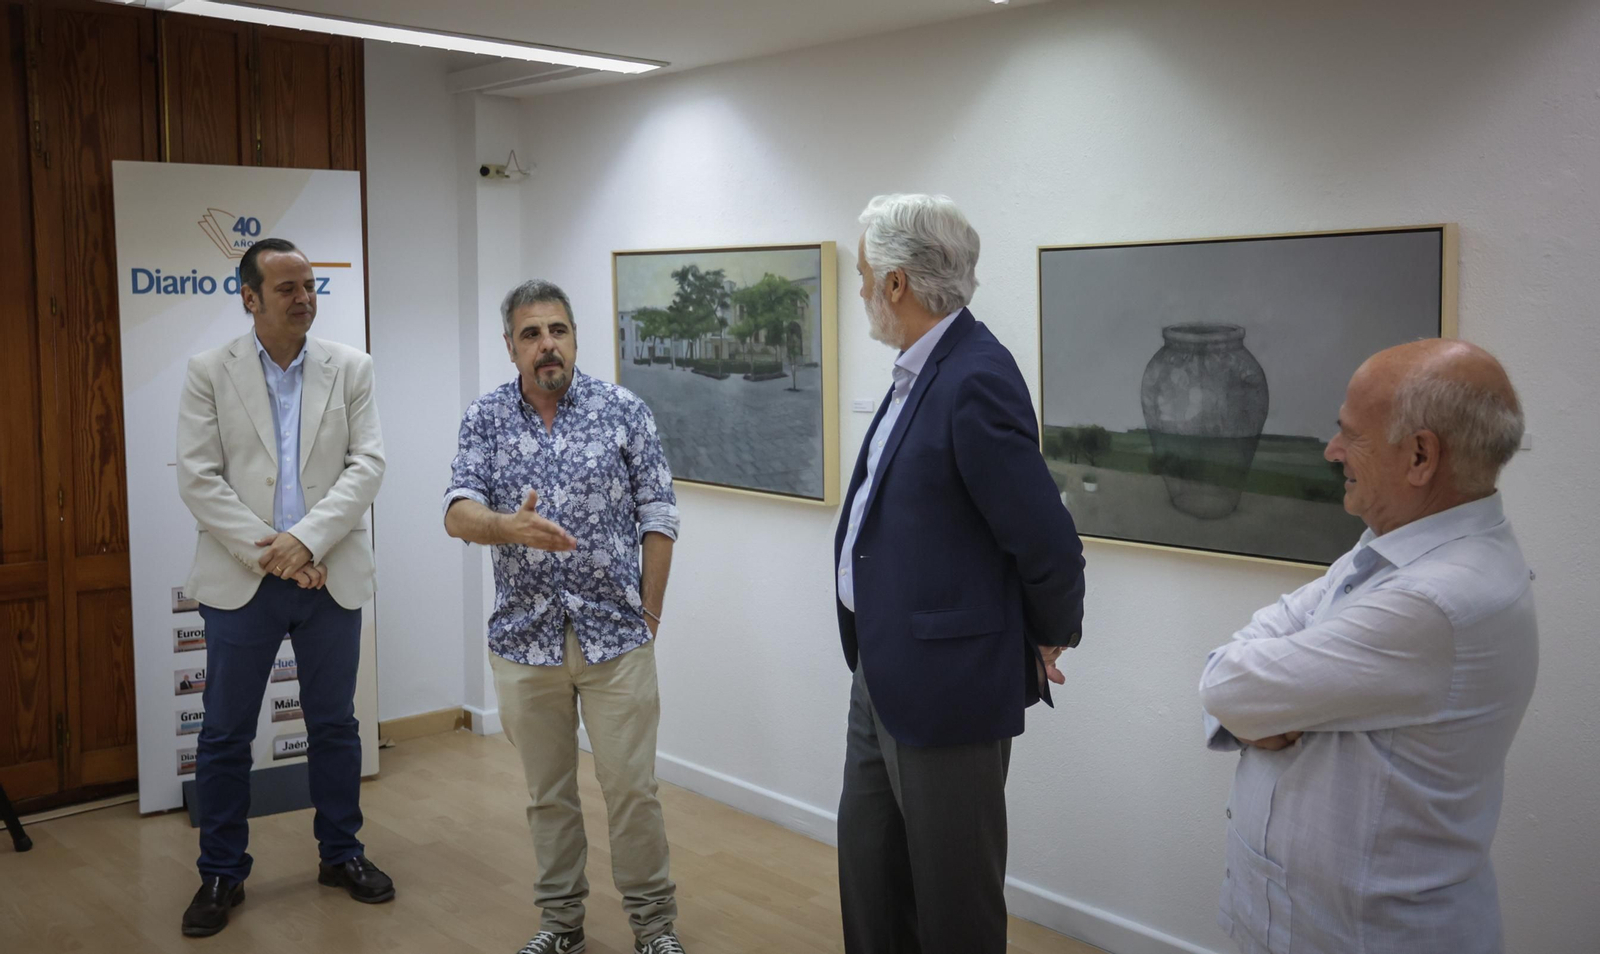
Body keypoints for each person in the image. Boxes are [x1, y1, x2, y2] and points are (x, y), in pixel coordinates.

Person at [1199, 339, 1536, 954]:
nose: (1331, 452)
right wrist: (1259, 709)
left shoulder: (1435, 600)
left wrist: (1254, 707)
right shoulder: (1392, 544)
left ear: (1419, 456)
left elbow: (1227, 685)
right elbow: (1254, 649)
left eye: (1350, 435)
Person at [833, 194, 1087, 954]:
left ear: (898, 285)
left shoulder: (975, 375)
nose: (860, 291)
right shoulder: (922, 369)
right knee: (871, 875)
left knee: (954, 905)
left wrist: (1046, 635)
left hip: (947, 686)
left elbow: (1047, 540)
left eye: (863, 274)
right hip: (882, 670)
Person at [443, 280, 686, 954]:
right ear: (511, 347)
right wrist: (505, 526)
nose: (546, 344)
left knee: (633, 791)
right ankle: (561, 924)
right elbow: (456, 512)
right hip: (525, 643)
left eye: (557, 330)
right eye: (531, 334)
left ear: (575, 337)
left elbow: (659, 515)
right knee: (548, 797)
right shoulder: (485, 418)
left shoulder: (623, 411)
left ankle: (654, 927)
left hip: (617, 641)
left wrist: (652, 613)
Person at [176, 237, 389, 937]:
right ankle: (221, 872)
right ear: (249, 297)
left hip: (330, 576)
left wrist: (309, 541)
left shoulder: (350, 368)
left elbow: (368, 466)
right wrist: (276, 553)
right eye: (288, 288)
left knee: (333, 725)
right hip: (245, 579)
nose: (304, 299)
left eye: (310, 287)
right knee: (226, 733)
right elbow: (198, 478)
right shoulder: (210, 371)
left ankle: (341, 853)